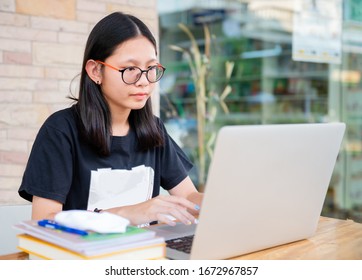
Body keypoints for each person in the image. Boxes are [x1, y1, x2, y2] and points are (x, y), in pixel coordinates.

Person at [18, 11, 203, 227]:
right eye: (130, 69)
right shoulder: (61, 130)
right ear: (96, 71)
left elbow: (189, 198)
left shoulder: (153, 130)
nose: (144, 81)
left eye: (150, 68)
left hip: (146, 256)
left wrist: (226, 202)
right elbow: (44, 220)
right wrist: (129, 213)